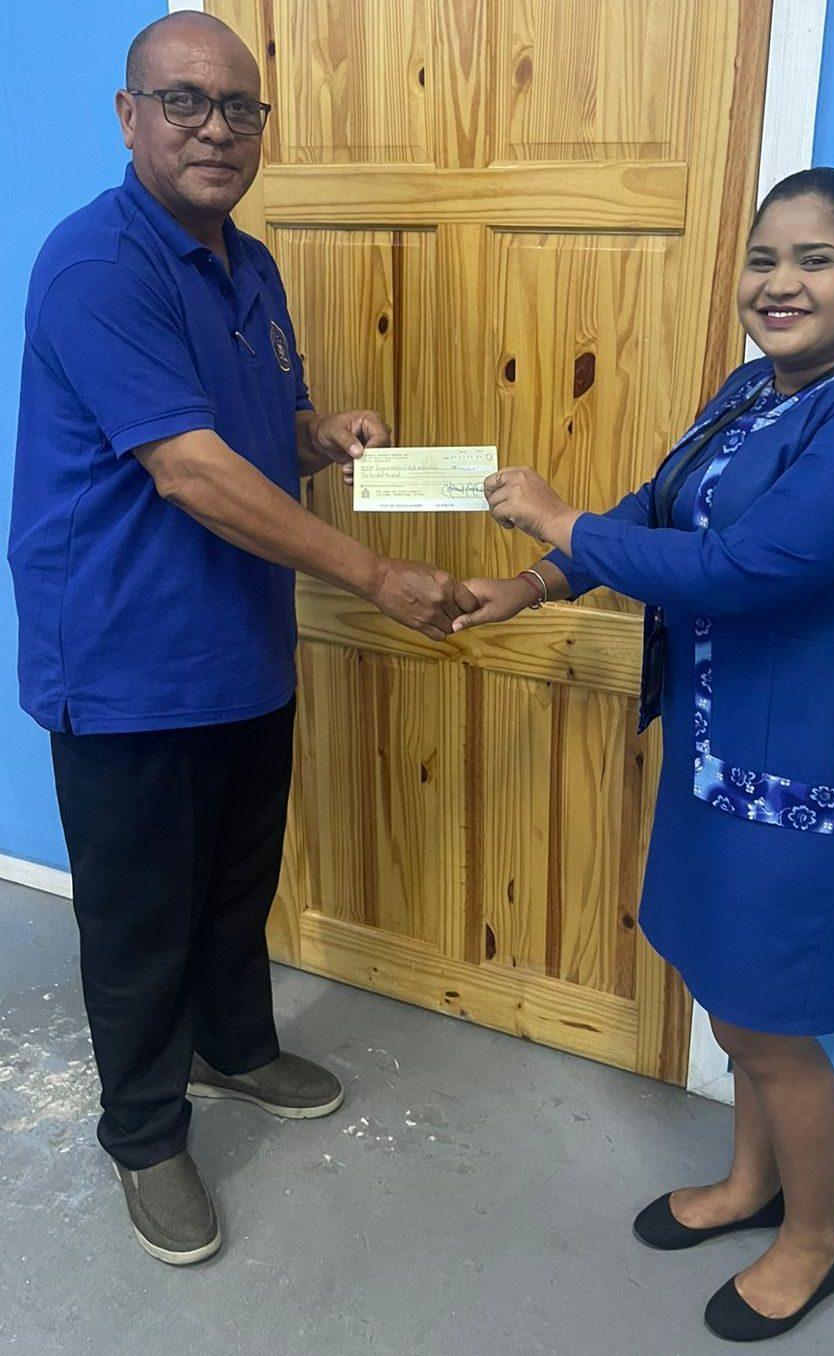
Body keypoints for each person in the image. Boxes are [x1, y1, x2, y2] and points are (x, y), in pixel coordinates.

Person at [7, 12, 476, 1267]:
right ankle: (146, 1129)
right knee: (139, 912)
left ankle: (232, 1047)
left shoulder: (249, 262)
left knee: (233, 882)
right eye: (185, 103)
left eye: (240, 108)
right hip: (123, 658)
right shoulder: (97, 264)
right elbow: (191, 470)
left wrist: (322, 435)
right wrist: (378, 573)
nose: (217, 129)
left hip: (239, 645)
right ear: (128, 115)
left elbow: (257, 417)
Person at [449, 169, 834, 1342]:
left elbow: (750, 570)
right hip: (719, 759)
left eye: (817, 260)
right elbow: (659, 509)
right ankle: (749, 1183)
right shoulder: (751, 392)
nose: (781, 283)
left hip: (820, 777)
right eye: (765, 259)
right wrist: (530, 581)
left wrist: (565, 526)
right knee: (734, 1003)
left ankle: (813, 1243)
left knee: (779, 1025)